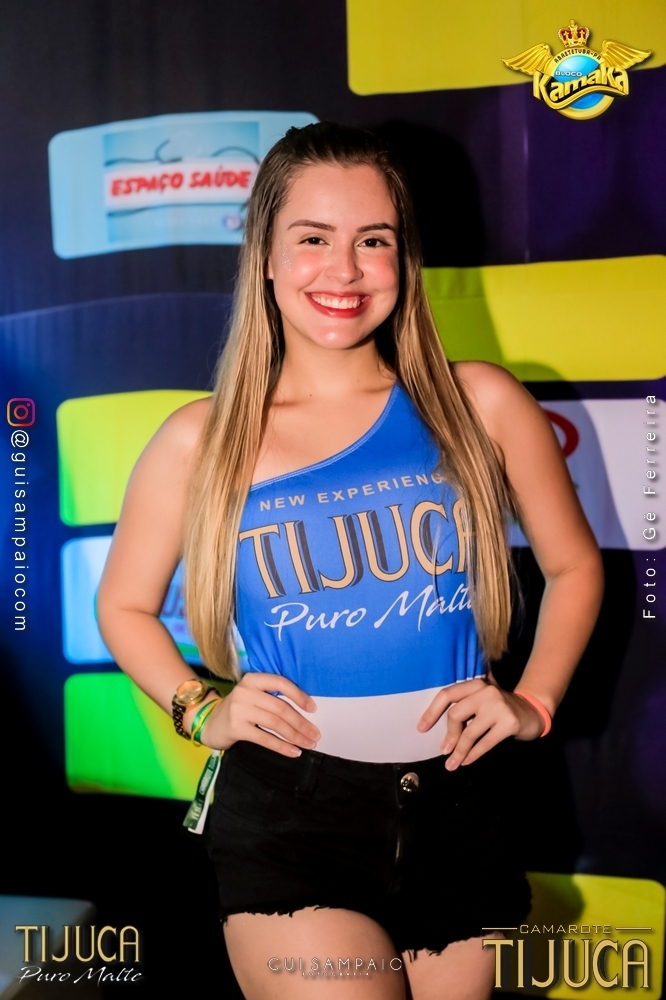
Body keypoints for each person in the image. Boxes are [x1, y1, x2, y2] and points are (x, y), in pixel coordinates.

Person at [97, 122, 604, 1000]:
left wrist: (535, 702)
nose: (345, 270)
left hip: (462, 806)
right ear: (265, 256)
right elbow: (123, 607)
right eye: (313, 239)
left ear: (405, 259)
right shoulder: (201, 438)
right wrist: (199, 709)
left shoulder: (479, 401)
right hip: (290, 818)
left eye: (374, 240)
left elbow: (575, 568)